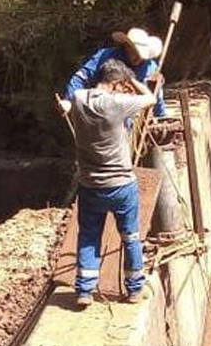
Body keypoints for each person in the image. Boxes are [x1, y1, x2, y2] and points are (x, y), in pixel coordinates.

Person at [55, 59, 156, 306]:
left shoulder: (78, 97)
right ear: (117, 83)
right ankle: (134, 290)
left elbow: (68, 104)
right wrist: (133, 80)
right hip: (122, 184)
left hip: (91, 185)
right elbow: (151, 99)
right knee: (130, 237)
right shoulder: (118, 103)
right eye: (122, 84)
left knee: (89, 236)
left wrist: (64, 106)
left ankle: (85, 291)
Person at [60, 27, 168, 118]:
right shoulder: (106, 56)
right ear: (127, 46)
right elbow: (82, 77)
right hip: (102, 111)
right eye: (135, 52)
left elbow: (156, 94)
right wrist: (69, 101)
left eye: (141, 56)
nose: (138, 58)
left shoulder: (150, 67)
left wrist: (161, 116)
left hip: (133, 117)